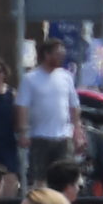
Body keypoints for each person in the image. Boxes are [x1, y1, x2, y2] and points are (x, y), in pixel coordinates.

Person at [16, 39, 83, 180]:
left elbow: (74, 106)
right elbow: (22, 106)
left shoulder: (66, 77)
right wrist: (23, 132)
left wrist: (77, 131)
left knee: (65, 178)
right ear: (47, 54)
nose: (62, 57)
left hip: (63, 138)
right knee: (40, 178)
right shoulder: (30, 79)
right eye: (58, 54)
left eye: (62, 54)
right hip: (39, 137)